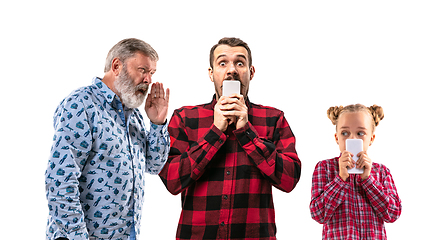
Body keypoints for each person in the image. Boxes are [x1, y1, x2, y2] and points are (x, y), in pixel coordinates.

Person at [159, 37, 301, 240]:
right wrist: (216, 131)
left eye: (240, 63)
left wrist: (246, 133)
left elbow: (290, 180)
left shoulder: (273, 119)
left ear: (251, 73)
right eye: (223, 63)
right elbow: (172, 180)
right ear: (211, 73)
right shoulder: (185, 118)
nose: (231, 70)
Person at [45, 38, 170, 240]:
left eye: (152, 73)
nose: (148, 80)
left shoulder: (135, 116)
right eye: (142, 70)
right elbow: (60, 179)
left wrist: (157, 124)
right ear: (117, 66)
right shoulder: (82, 105)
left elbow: (154, 166)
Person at [310, 104, 402, 239]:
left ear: (371, 139)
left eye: (360, 133)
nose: (352, 139)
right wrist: (340, 179)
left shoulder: (382, 172)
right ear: (337, 138)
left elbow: (393, 214)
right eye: (345, 133)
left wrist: (368, 180)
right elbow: (318, 214)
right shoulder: (324, 168)